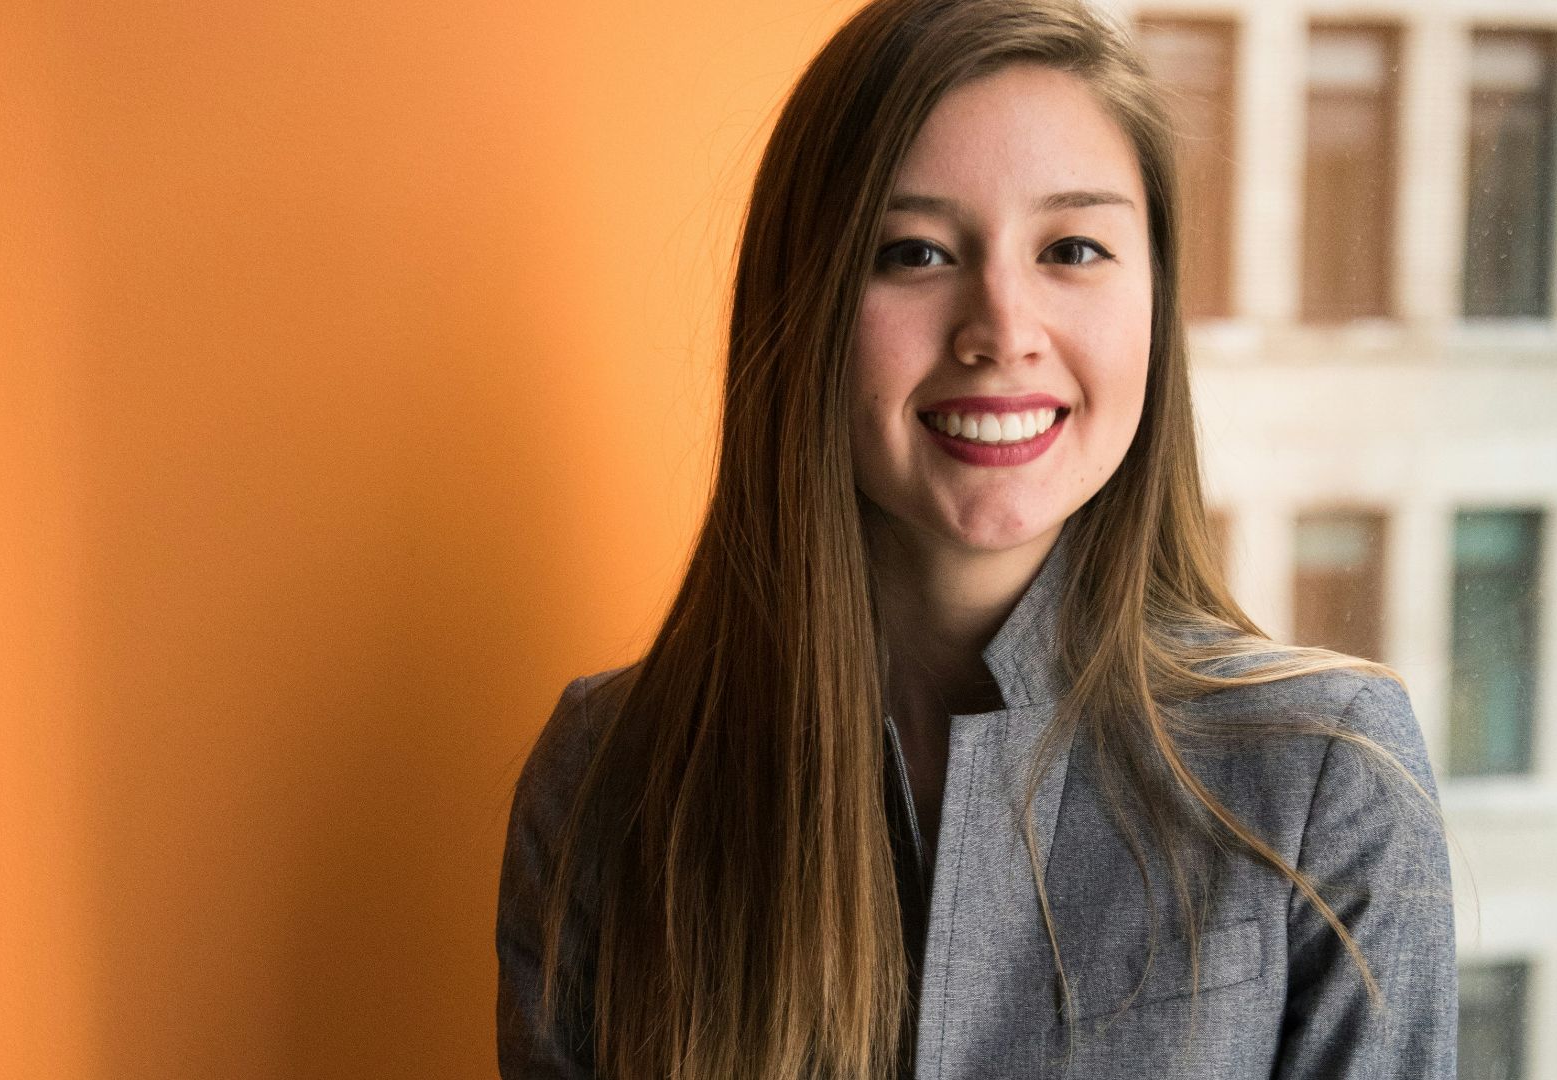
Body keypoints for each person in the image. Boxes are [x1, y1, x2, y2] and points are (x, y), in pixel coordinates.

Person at [497, 0, 1456, 1076]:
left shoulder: (1330, 771)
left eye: (1073, 248)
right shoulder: (607, 780)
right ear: (802, 303)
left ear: (1154, 302)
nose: (1001, 329)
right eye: (914, 252)